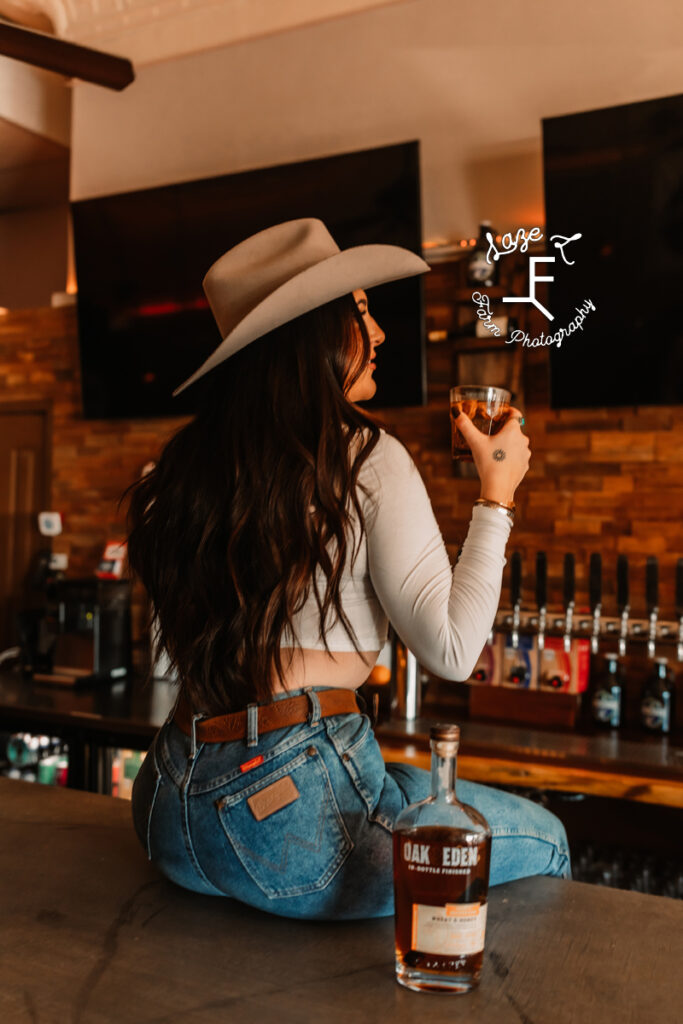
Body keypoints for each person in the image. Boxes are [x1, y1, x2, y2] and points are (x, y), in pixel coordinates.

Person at [124, 218, 571, 921]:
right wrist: (496, 495)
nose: (382, 333)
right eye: (362, 312)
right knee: (546, 841)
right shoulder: (364, 456)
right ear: (316, 331)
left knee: (406, 791)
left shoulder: (182, 466)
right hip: (287, 813)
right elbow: (452, 651)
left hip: (167, 803)